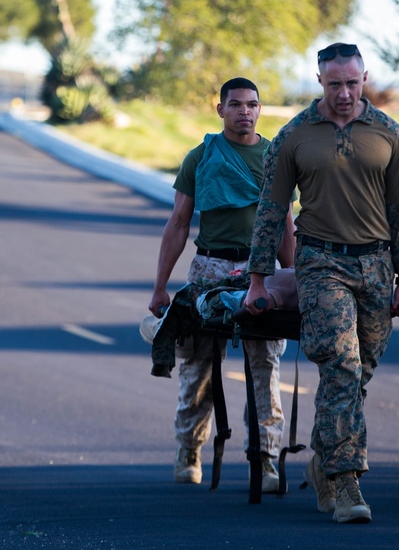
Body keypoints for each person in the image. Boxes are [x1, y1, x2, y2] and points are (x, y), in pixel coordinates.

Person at [243, 43, 399, 524]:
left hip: (378, 266)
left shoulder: (390, 134)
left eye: (353, 83)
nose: (344, 93)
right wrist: (258, 280)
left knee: (358, 376)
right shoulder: (293, 136)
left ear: (366, 79)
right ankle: (346, 484)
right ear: (319, 81)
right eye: (334, 83)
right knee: (341, 365)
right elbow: (271, 212)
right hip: (320, 263)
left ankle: (323, 458)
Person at [149, 77, 295, 493]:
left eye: (252, 104)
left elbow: (286, 225)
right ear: (220, 110)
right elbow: (178, 223)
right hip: (210, 268)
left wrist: (295, 283)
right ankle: (188, 451)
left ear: (260, 110)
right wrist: (160, 288)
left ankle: (266, 460)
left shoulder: (275, 158)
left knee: (264, 366)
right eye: (235, 105)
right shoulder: (201, 157)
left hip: (260, 272)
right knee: (197, 368)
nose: (244, 112)